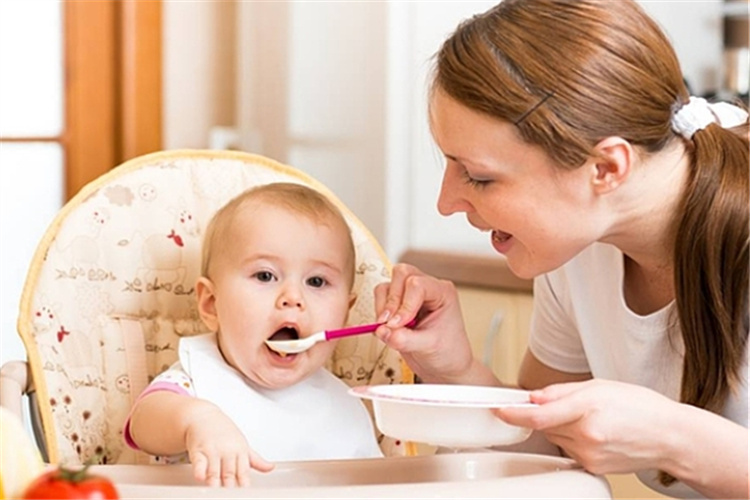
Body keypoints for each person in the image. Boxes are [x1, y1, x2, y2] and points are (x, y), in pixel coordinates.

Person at [373, 1, 749, 499]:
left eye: (480, 176)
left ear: (606, 168)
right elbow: (545, 444)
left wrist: (670, 437)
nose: (447, 203)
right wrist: (455, 369)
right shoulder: (579, 246)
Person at [125, 182, 382, 487]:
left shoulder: (345, 407)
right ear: (211, 304)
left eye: (316, 281)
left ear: (345, 314)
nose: (293, 297)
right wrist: (197, 420)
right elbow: (143, 423)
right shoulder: (195, 383)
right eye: (265, 275)